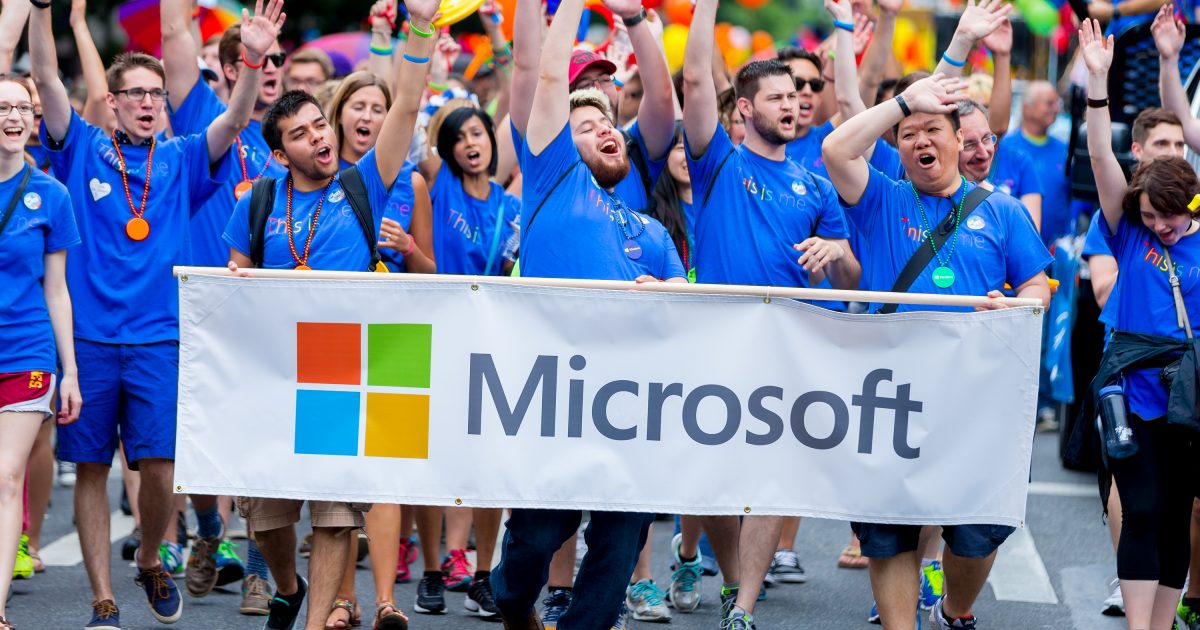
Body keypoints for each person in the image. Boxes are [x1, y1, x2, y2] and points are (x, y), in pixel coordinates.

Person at [28, 0, 274, 623]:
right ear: (112, 102)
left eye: (155, 94)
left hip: (159, 337)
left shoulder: (182, 157)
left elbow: (236, 119)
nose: (145, 103)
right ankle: (103, 599)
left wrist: (253, 59)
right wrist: (39, 11)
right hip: (88, 340)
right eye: (133, 93)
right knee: (89, 468)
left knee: (161, 465)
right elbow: (50, 79)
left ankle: (149, 559)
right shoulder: (80, 147)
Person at [221, 0, 437, 625]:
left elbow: (406, 104)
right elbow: (235, 287)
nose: (319, 136)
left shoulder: (364, 182)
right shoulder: (257, 202)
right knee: (266, 515)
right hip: (272, 374)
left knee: (338, 513)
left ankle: (315, 623)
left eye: (320, 125)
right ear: (282, 153)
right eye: (301, 134)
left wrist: (418, 25)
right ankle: (287, 587)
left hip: (344, 373)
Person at [821, 69, 1051, 629]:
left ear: (958, 139)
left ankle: (954, 607)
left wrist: (1017, 307)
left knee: (977, 535)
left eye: (933, 130)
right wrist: (903, 102)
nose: (921, 141)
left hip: (977, 400)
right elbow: (835, 147)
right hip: (891, 394)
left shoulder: (1003, 211)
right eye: (908, 134)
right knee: (888, 530)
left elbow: (1036, 286)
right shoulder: (880, 199)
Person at [491, 0, 685, 625]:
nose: (605, 129)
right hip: (556, 400)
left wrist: (671, 296)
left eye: (609, 122)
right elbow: (544, 78)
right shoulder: (552, 179)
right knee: (537, 538)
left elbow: (692, 309)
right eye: (584, 125)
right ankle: (511, 599)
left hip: (629, 408)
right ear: (556, 147)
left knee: (618, 545)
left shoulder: (651, 231)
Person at [680, 1, 862, 627]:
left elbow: (851, 277)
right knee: (710, 480)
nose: (792, 104)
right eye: (777, 96)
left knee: (762, 481)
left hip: (786, 350)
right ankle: (713, 568)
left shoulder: (814, 186)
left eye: (796, 95)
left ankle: (744, 607)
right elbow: (696, 79)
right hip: (717, 345)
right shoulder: (718, 163)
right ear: (744, 111)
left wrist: (836, 250)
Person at [1075, 19, 1200, 630]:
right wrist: (1097, 83)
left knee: (1178, 513)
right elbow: (1102, 154)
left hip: (1191, 395)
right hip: (1132, 389)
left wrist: (1173, 63)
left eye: (1169, 219)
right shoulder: (1126, 228)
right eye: (1149, 216)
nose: (1159, 227)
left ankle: (1161, 623)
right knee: (1143, 508)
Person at [0, 72, 83, 630]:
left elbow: (57, 289)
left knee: (6, 477)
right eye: (2, 107)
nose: (13, 117)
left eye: (22, 107)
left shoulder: (50, 193)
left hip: (26, 352)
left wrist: (70, 371)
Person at [1003, 80, 1071, 244]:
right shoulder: (1006, 148)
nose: (1056, 109)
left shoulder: (1065, 150)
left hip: (1057, 253)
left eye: (1057, 103)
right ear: (1027, 107)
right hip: (1015, 249)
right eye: (1049, 103)